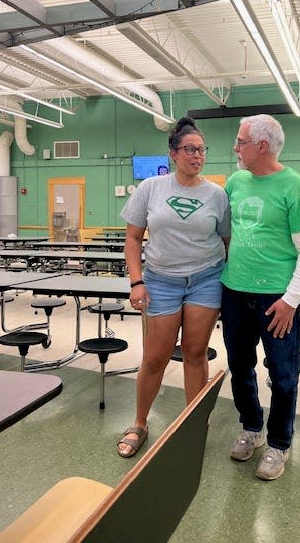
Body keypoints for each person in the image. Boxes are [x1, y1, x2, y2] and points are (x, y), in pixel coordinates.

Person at [117, 117, 230, 458]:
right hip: (160, 281)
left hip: (205, 280)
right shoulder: (151, 188)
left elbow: (227, 242)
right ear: (173, 153)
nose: (197, 156)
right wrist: (136, 282)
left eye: (201, 150)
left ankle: (192, 425)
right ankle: (139, 422)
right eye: (190, 149)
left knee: (195, 354)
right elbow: (133, 238)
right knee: (155, 358)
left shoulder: (217, 195)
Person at [221, 114, 300, 481]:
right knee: (240, 366)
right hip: (234, 293)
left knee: (282, 375)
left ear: (261, 145)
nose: (235, 147)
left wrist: (291, 300)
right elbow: (225, 232)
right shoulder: (235, 182)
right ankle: (251, 427)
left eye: (240, 140)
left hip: (277, 300)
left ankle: (279, 443)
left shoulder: (294, 187)